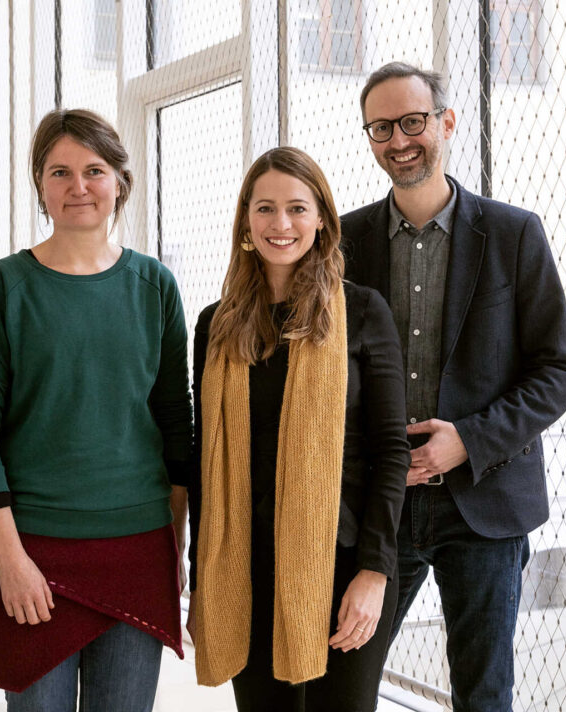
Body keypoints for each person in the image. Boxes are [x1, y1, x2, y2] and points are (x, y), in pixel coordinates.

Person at [340, 62, 566, 711]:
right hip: (377, 509)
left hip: (484, 504)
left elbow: (560, 368)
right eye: (382, 127)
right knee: (339, 677)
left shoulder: (513, 233)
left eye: (413, 122)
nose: (399, 140)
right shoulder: (342, 240)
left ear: (446, 123)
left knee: (483, 694)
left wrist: (467, 442)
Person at [0, 108, 192, 711]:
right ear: (40, 186)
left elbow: (174, 423)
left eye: (94, 169)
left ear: (120, 181)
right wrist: (8, 558)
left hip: (136, 549)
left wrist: (176, 546)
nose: (78, 186)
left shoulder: (155, 286)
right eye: (60, 171)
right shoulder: (6, 287)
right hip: (31, 550)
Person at [187, 147, 409, 711]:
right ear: (245, 221)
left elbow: (391, 453)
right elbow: (203, 461)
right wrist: (200, 578)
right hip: (246, 568)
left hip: (342, 561)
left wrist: (374, 573)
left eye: (296, 208)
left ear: (321, 220)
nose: (280, 225)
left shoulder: (360, 312)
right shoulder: (216, 324)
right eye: (265, 209)